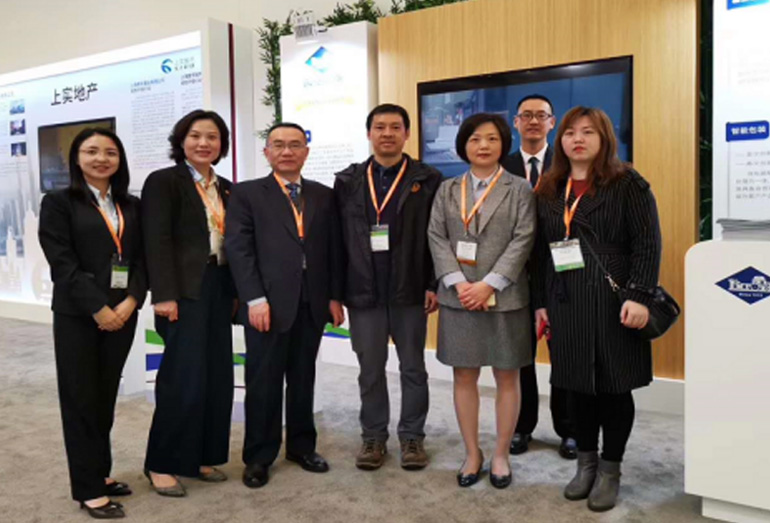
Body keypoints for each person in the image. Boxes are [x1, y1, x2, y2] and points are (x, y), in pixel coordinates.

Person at [532, 106, 661, 512]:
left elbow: (647, 243)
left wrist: (639, 296)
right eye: (570, 132)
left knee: (614, 388)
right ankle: (585, 464)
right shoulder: (549, 187)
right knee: (575, 387)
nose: (578, 139)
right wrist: (540, 303)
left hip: (615, 299)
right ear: (561, 140)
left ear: (604, 138)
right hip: (565, 299)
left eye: (588, 131)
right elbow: (539, 252)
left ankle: (610, 470)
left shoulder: (628, 183)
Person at [225, 122, 345, 489]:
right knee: (263, 381)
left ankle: (301, 447)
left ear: (306, 152)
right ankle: (259, 456)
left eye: (295, 145)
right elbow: (239, 250)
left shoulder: (323, 195)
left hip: (312, 302)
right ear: (267, 152)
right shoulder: (246, 194)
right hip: (267, 304)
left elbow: (334, 249)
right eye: (278, 145)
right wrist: (255, 299)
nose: (287, 151)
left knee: (303, 378)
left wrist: (334, 296)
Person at [39, 128, 147, 519]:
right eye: (91, 151)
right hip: (79, 316)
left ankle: (99, 473)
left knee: (104, 397)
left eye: (110, 152)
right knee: (80, 399)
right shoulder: (59, 202)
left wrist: (131, 301)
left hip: (123, 313)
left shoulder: (131, 205)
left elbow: (143, 259)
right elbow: (62, 262)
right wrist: (98, 308)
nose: (101, 159)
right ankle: (88, 490)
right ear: (77, 158)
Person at [428, 113, 536, 489]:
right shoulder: (447, 189)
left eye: (491, 138)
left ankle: (501, 454)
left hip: (505, 296)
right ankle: (472, 453)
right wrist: (460, 284)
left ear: (503, 144)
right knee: (464, 375)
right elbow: (436, 237)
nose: (483, 145)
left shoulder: (519, 189)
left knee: (507, 375)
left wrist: (488, 285)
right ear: (463, 145)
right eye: (475, 139)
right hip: (459, 298)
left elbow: (524, 238)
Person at [334, 104, 442, 471]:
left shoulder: (428, 179)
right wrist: (336, 292)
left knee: (413, 367)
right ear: (369, 133)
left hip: (409, 289)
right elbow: (336, 241)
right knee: (370, 369)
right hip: (363, 290)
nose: (387, 134)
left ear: (407, 134)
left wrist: (433, 283)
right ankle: (373, 437)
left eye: (396, 127)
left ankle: (412, 437)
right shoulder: (348, 181)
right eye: (380, 127)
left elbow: (437, 236)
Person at [142, 110, 236, 497]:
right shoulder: (164, 182)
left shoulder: (226, 188)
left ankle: (201, 456)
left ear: (221, 144)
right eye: (196, 135)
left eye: (212, 137)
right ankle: (161, 463)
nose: (204, 143)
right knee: (182, 378)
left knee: (217, 376)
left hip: (219, 287)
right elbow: (156, 240)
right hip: (183, 292)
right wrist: (163, 294)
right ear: (181, 141)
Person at [501, 94, 577, 459]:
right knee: (519, 357)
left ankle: (570, 429)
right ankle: (521, 426)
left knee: (565, 354)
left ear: (552, 122)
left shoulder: (569, 164)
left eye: (540, 115)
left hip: (562, 272)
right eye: (526, 115)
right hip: (514, 275)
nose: (533, 121)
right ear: (516, 122)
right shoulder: (501, 166)